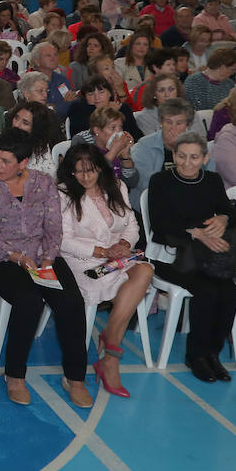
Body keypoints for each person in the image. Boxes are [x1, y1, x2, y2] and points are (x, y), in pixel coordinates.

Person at [0, 129, 91, 408]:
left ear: (23, 163)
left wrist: (48, 258)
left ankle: (75, 377)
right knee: (28, 301)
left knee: (72, 302)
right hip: (0, 259)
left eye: (5, 161)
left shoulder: (44, 183)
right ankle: (14, 375)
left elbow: (54, 227)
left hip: (41, 255)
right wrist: (17, 257)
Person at [56, 143, 152, 397]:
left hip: (117, 256)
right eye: (79, 172)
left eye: (91, 170)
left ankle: (110, 339)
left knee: (145, 271)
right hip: (84, 261)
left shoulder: (117, 186)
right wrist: (101, 251)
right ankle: (111, 357)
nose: (85, 177)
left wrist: (123, 243)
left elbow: (132, 223)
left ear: (101, 168)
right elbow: (62, 240)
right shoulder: (64, 193)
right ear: (71, 172)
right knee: (128, 282)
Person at [146, 131, 236, 383]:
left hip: (206, 257)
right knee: (207, 292)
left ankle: (212, 353)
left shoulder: (211, 180)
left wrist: (223, 217)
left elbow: (229, 212)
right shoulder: (160, 181)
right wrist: (196, 233)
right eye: (182, 156)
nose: (188, 163)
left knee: (231, 293)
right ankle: (196, 355)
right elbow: (161, 226)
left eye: (195, 157)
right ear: (174, 155)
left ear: (205, 158)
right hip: (171, 256)